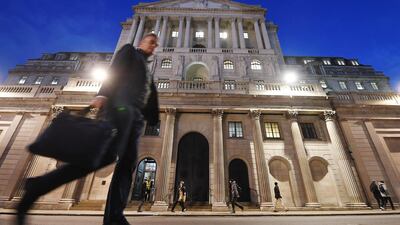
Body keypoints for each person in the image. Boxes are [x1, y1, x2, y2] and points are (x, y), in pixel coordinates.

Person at [16, 33, 160, 225]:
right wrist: (102, 94)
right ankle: (39, 186)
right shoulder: (129, 52)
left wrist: (153, 117)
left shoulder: (145, 68)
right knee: (102, 158)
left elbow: (149, 95)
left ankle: (114, 216)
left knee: (125, 165)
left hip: (134, 120)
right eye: (151, 42)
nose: (153, 46)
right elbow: (115, 71)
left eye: (155, 44)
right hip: (120, 110)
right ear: (142, 41)